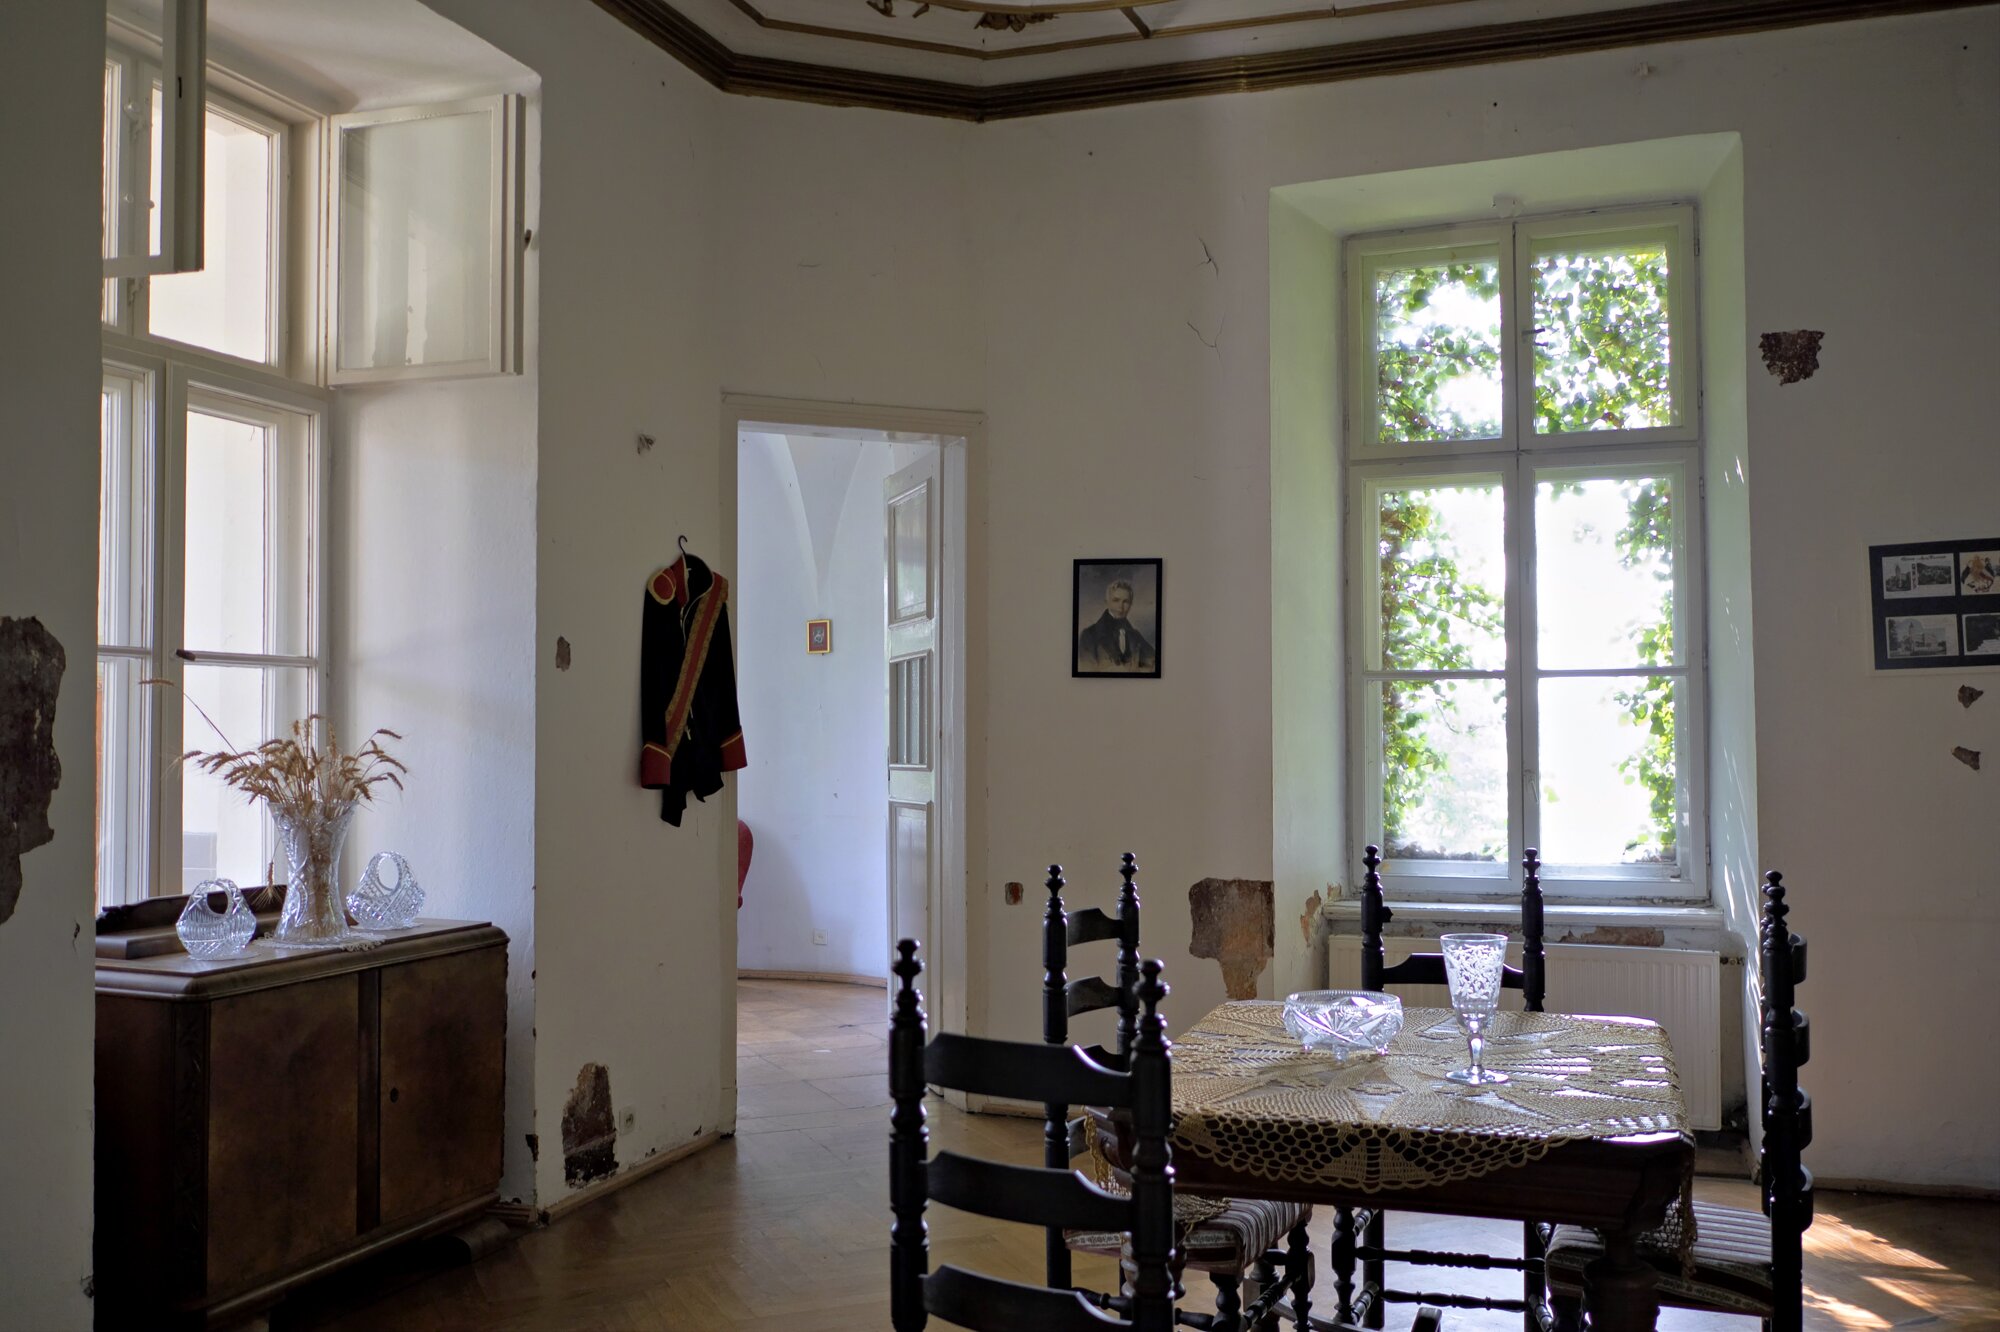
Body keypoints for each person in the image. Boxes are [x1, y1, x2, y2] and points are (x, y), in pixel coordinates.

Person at [1077, 578, 1156, 673]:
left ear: (1131, 604)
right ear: (1107, 602)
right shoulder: (1089, 635)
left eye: (1126, 602)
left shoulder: (1135, 635)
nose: (1121, 607)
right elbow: (1086, 672)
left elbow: (1154, 663)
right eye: (1116, 600)